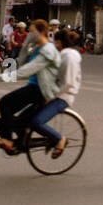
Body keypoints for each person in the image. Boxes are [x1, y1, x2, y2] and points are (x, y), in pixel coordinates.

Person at [0, 20, 60, 155]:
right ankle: (20, 142)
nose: (29, 34)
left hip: (41, 90)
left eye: (32, 32)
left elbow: (25, 72)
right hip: (34, 87)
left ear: (40, 32)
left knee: (4, 102)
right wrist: (26, 45)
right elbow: (21, 63)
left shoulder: (48, 50)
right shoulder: (36, 48)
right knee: (16, 120)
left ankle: (8, 140)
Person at [30, 29, 82, 159]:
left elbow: (68, 84)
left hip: (63, 97)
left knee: (37, 122)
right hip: (54, 93)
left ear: (59, 43)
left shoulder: (69, 58)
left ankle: (59, 139)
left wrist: (50, 97)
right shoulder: (63, 56)